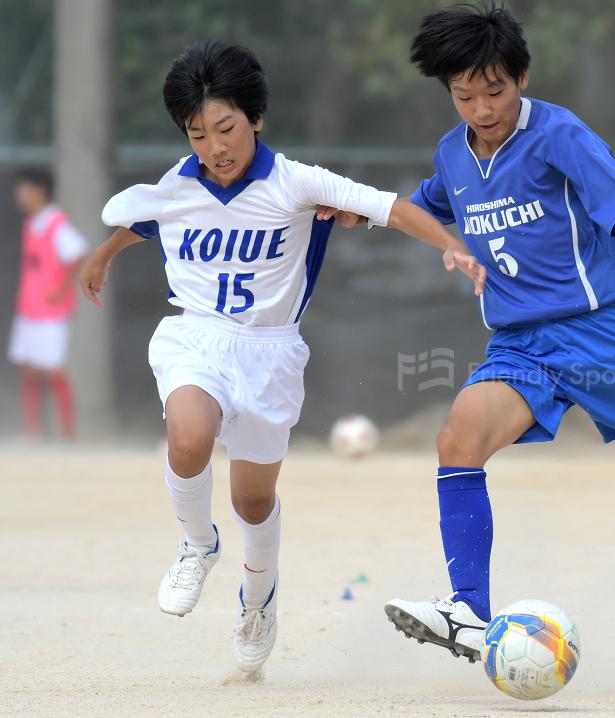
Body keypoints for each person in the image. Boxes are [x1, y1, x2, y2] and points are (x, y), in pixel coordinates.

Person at [323, 3, 615, 664]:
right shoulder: (452, 153)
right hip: (522, 346)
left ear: (520, 77)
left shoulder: (559, 134)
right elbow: (427, 204)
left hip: (603, 334)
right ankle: (468, 610)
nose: (481, 107)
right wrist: (357, 212)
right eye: (464, 95)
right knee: (457, 436)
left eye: (494, 91)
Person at [78, 40, 484, 674]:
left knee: (252, 501)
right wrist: (102, 255)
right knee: (187, 439)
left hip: (270, 356)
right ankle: (196, 544)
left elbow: (392, 207)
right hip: (195, 336)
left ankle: (259, 595)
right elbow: (146, 222)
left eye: (225, 127)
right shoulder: (178, 186)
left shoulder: (298, 182)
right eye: (196, 133)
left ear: (256, 118)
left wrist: (450, 245)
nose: (214, 146)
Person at [8, 168, 87, 439]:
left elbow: (78, 253)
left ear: (39, 190)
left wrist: (61, 288)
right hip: (29, 309)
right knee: (29, 369)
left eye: (23, 188)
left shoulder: (55, 222)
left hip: (51, 313)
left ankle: (68, 434)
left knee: (54, 370)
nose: (19, 194)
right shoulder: (32, 223)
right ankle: (33, 432)